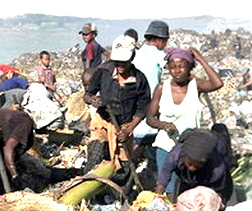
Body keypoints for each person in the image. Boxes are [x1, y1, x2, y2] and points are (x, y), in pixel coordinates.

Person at [146, 47, 223, 195]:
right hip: (166, 145)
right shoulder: (162, 88)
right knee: (168, 188)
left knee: (190, 189)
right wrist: (164, 125)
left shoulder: (196, 86)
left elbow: (217, 83)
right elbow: (150, 118)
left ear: (189, 67)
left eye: (181, 66)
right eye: (172, 67)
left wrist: (200, 58)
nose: (177, 71)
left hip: (192, 149)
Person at [83, 35, 151, 167]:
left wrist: (128, 130)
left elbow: (142, 109)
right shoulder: (103, 71)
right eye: (117, 62)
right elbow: (87, 94)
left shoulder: (139, 80)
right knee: (95, 157)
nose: (120, 66)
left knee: (124, 166)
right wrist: (92, 100)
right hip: (102, 121)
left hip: (124, 126)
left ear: (131, 58)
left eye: (124, 62)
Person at [155, 126, 236, 204]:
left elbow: (218, 194)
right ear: (184, 157)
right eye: (190, 164)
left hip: (212, 185)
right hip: (187, 179)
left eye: (197, 166)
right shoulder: (174, 156)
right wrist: (156, 197)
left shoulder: (216, 168)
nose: (192, 168)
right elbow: (163, 179)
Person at [131, 20, 170, 167]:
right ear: (160, 40)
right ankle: (131, 168)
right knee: (144, 138)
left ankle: (132, 165)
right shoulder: (160, 55)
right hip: (150, 100)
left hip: (134, 100)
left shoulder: (137, 53)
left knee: (136, 136)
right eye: (165, 41)